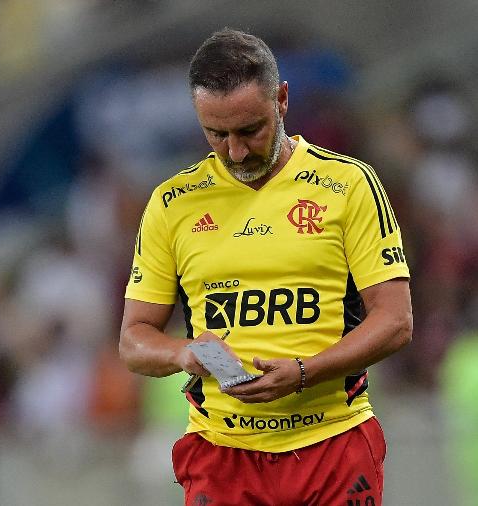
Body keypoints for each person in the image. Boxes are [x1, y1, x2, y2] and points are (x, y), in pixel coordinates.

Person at [120, 29, 412, 505]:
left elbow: (396, 321)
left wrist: (305, 371)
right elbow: (134, 339)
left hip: (331, 445)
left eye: (250, 130)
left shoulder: (348, 185)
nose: (235, 152)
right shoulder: (172, 204)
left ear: (281, 100)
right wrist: (182, 354)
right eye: (216, 134)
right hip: (223, 455)